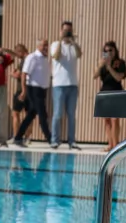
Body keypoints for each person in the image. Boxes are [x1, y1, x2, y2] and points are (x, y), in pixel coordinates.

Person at [50, 21, 82, 150]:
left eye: (69, 30)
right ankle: (55, 140)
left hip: (73, 84)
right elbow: (56, 56)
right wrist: (60, 39)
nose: (67, 32)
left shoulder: (74, 46)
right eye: (65, 30)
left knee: (71, 115)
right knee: (58, 114)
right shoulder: (55, 45)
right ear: (60, 31)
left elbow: (80, 55)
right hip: (59, 85)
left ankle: (71, 141)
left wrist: (73, 41)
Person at [14, 40, 52, 147]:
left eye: (47, 45)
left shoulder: (44, 59)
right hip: (33, 89)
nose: (46, 47)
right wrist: (24, 90)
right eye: (44, 45)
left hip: (42, 90)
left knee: (31, 115)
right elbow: (24, 74)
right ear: (38, 46)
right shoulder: (32, 57)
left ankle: (18, 137)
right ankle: (50, 139)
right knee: (42, 114)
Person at [97, 41, 126, 152]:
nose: (108, 53)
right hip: (105, 93)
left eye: (110, 50)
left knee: (115, 120)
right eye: (106, 51)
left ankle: (115, 145)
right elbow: (94, 75)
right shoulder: (102, 63)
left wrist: (109, 67)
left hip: (116, 92)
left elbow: (119, 77)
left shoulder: (120, 63)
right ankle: (110, 144)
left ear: (115, 51)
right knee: (107, 120)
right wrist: (100, 66)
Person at [10, 43, 31, 144]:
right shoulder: (31, 59)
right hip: (31, 91)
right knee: (28, 115)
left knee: (15, 113)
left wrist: (12, 74)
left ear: (20, 52)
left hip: (21, 91)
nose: (17, 56)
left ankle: (16, 136)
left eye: (17, 53)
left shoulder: (24, 61)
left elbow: (18, 75)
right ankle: (27, 137)